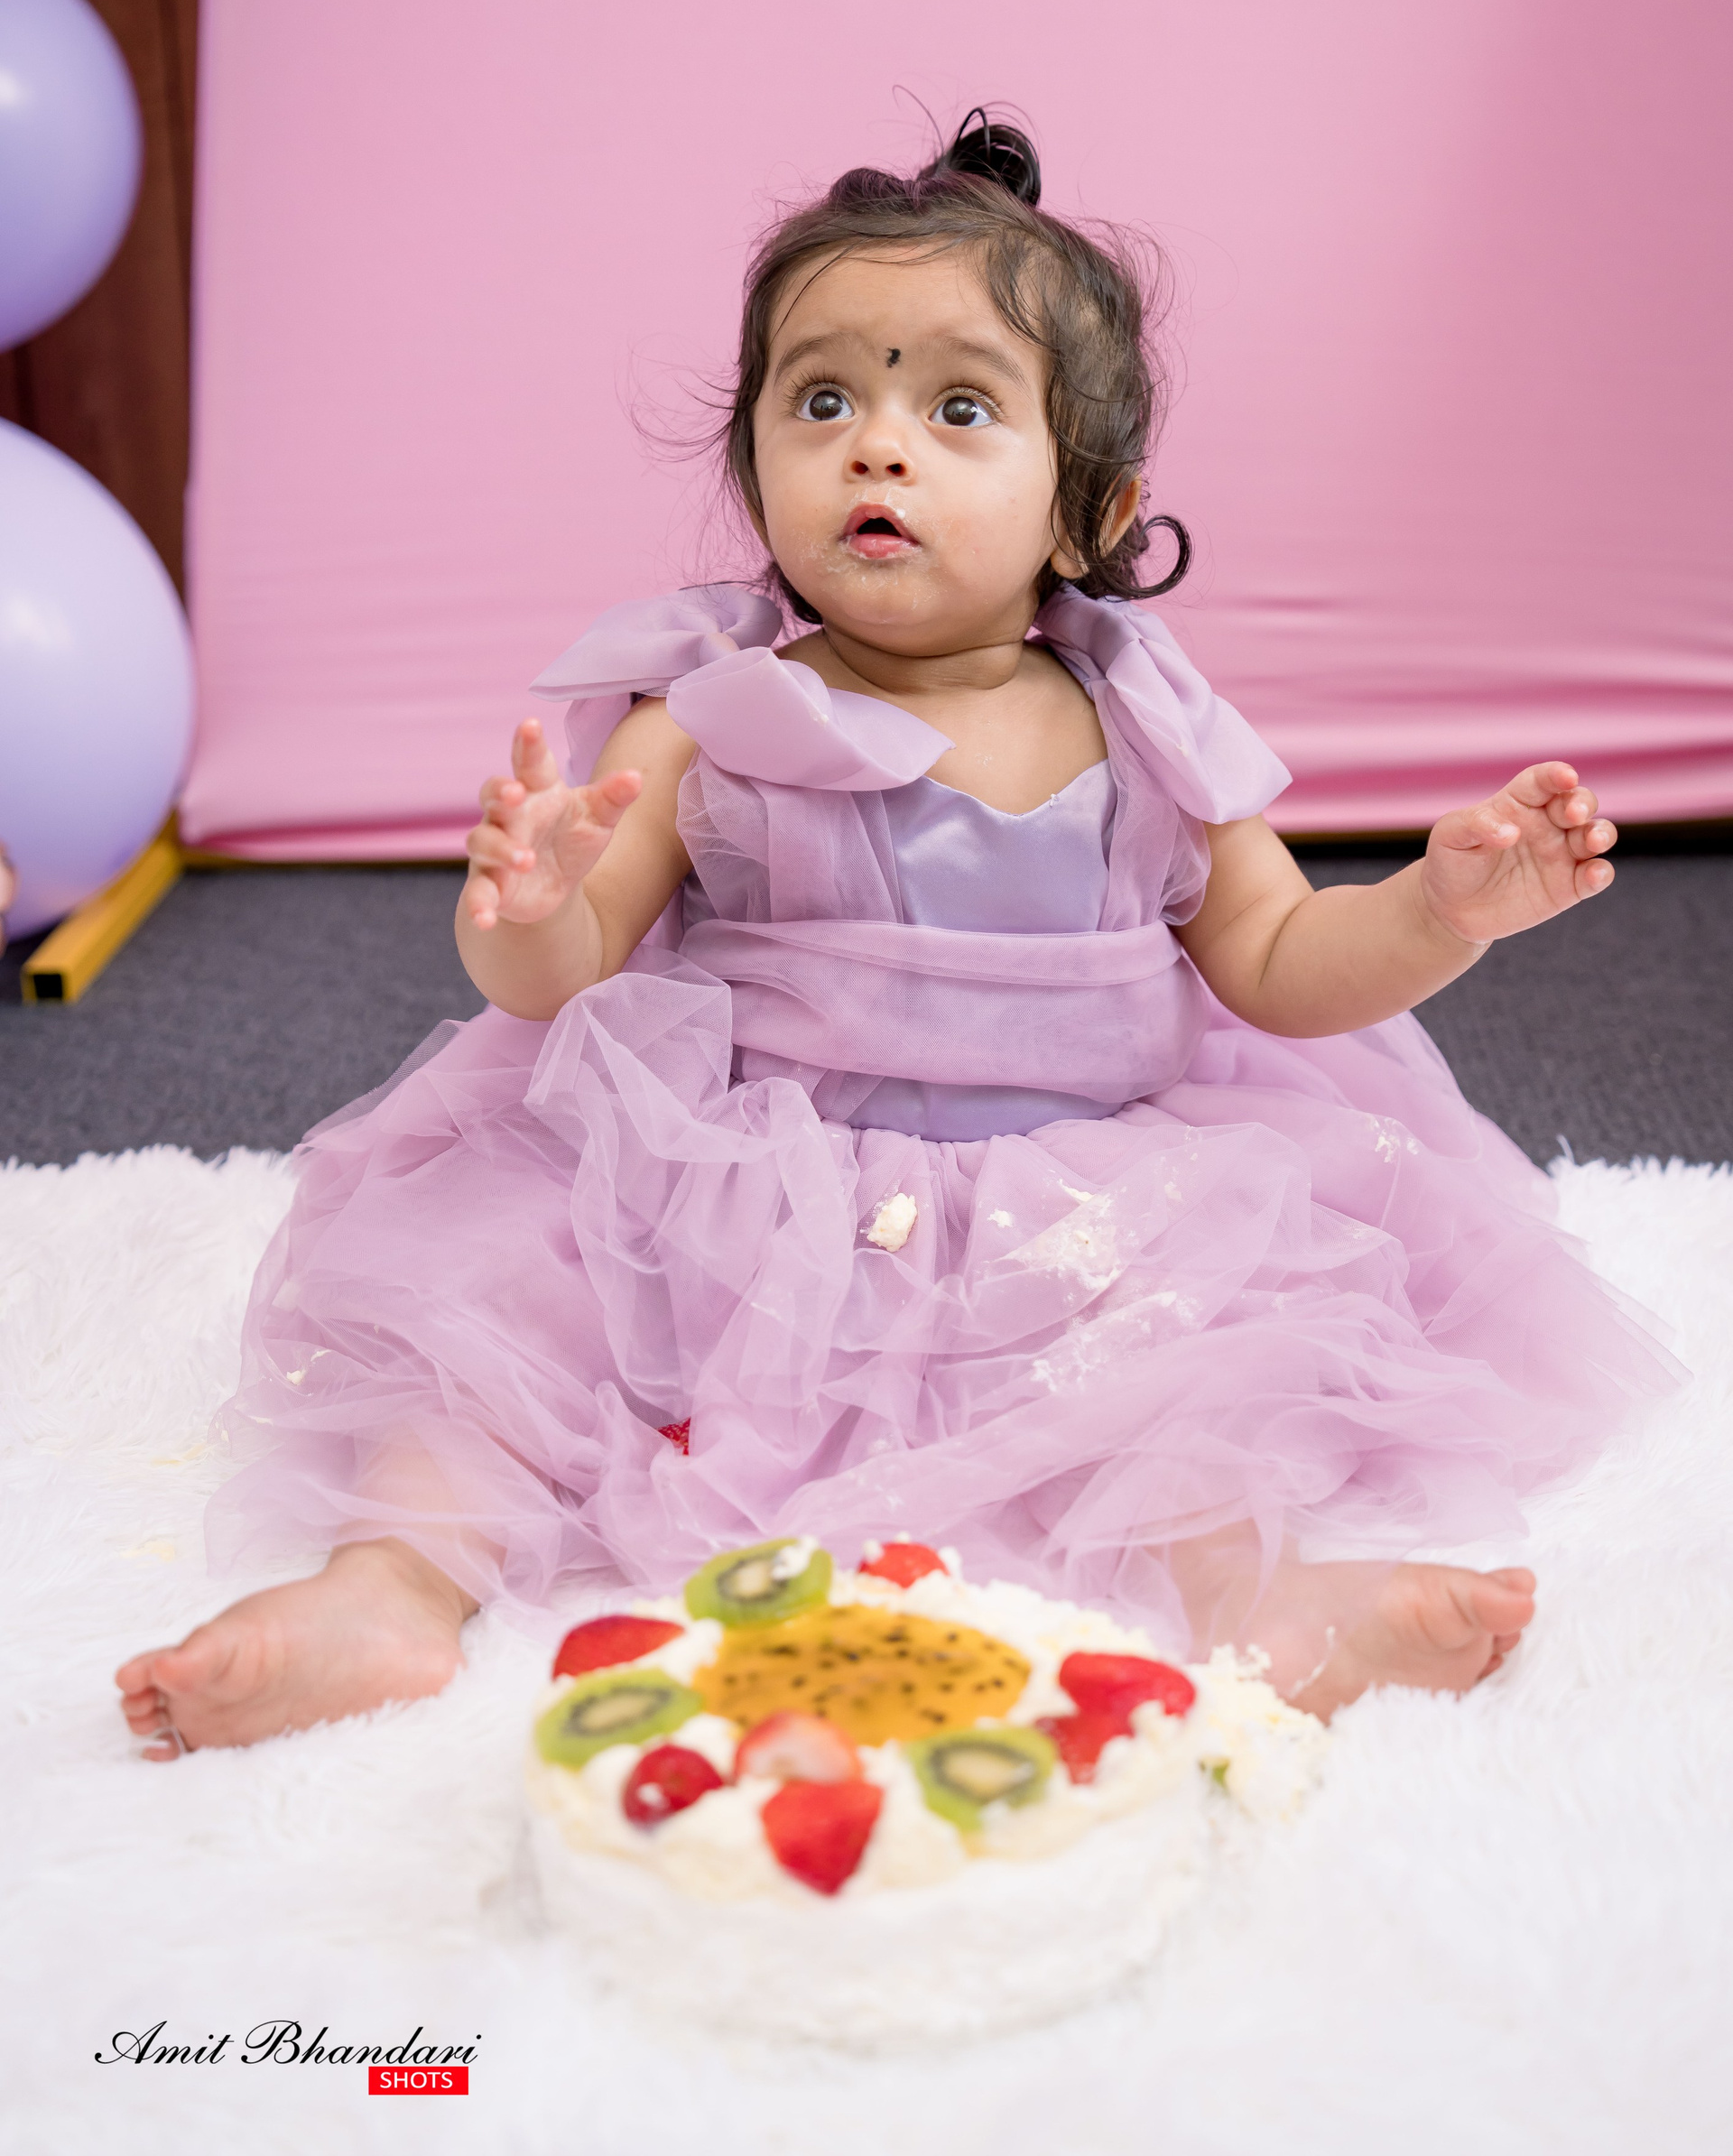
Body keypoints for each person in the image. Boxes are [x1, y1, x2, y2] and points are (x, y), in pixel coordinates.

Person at [118, 117, 1676, 1759]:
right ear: (755, 472)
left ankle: (1264, 1601)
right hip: (742, 1192)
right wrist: (527, 905)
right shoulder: (710, 713)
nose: (877, 449)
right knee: (514, 1317)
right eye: (823, 402)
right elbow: (561, 973)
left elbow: (1284, 963)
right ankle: (387, 1589)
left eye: (958, 409)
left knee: (1187, 1356)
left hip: (1079, 1190)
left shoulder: (1143, 724)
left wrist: (1440, 909)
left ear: (1088, 508)